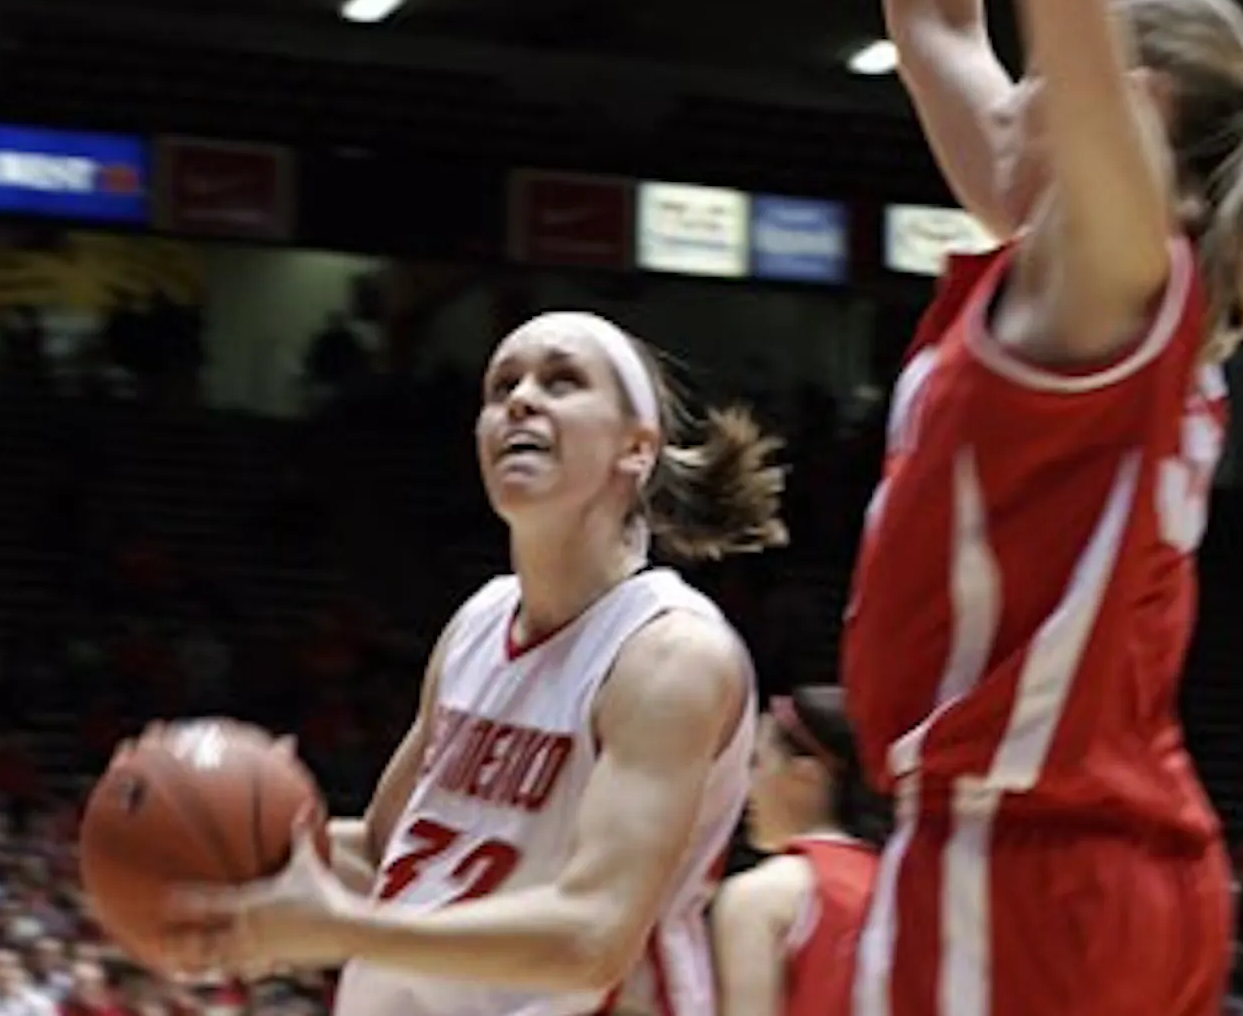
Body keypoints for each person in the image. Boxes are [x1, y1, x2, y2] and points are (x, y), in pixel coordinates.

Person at [844, 0, 1243, 1014]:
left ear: (1125, 107)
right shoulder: (1079, 288)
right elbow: (933, 29)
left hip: (1021, 862)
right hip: (1101, 860)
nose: (1008, 96)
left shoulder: (1115, 279)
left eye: (1041, 72)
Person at [160, 310, 788, 1016]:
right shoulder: (480, 620)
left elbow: (592, 937)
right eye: (501, 387)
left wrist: (336, 927)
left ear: (636, 447)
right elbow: (379, 851)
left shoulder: (668, 653)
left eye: (561, 380)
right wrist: (223, 861)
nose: (520, 399)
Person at [711, 687, 889, 1016]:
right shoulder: (905, 884)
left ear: (805, 775)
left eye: (756, 763)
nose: (744, 786)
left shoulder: (758, 896)